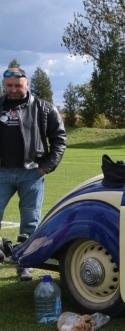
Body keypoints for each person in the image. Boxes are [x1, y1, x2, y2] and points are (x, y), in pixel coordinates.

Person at [0, 67, 67, 281]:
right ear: (4, 85)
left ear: (26, 84)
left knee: (30, 221)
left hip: (32, 172)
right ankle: (4, 250)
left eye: (18, 86)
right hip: (1, 173)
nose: (13, 90)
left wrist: (46, 166)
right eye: (9, 86)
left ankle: (25, 264)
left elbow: (59, 139)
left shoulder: (44, 108)